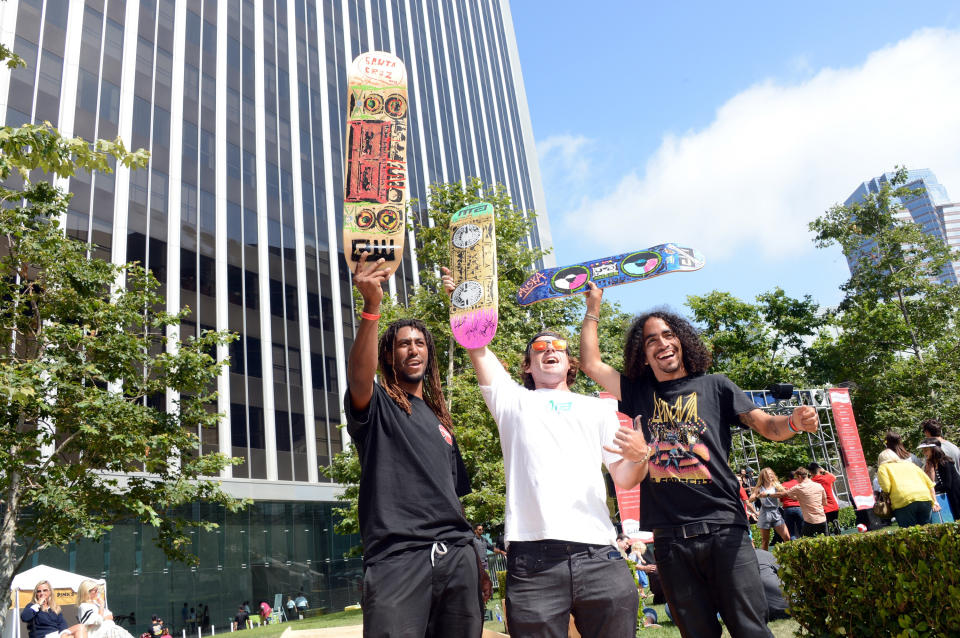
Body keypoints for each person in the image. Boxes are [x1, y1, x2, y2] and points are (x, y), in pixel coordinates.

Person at [578, 286, 820, 638]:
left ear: (682, 342)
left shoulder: (716, 385)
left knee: (751, 630)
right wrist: (593, 308)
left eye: (668, 335)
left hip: (725, 529)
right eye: (651, 340)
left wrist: (795, 421)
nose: (662, 343)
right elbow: (591, 364)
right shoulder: (638, 392)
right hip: (670, 540)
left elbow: (767, 426)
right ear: (643, 354)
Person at [443, 271, 644, 638]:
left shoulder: (599, 408)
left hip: (599, 555)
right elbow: (476, 346)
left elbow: (626, 478)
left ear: (571, 363)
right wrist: (463, 299)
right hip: (532, 562)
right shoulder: (511, 401)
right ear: (526, 365)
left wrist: (640, 456)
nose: (550, 349)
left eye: (559, 347)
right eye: (539, 347)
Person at [346, 254, 482, 637]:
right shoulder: (378, 405)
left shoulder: (441, 420)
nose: (413, 349)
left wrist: (476, 558)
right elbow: (358, 376)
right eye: (403, 344)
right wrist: (372, 307)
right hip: (397, 559)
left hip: (457, 557)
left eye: (420, 343)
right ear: (389, 355)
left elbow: (455, 499)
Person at [877, 448, 939, 527]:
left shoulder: (883, 467)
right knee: (927, 530)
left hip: (903, 501)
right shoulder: (910, 464)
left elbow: (886, 487)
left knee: (909, 533)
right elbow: (929, 483)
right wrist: (934, 501)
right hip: (924, 498)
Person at [21, 580, 87, 638]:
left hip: (57, 634)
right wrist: (38, 604)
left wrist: (64, 634)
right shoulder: (32, 606)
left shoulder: (54, 608)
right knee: (80, 627)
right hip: (43, 636)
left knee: (79, 631)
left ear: (49, 592)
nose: (42, 593)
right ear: (36, 594)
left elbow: (62, 624)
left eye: (45, 590)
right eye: (39, 591)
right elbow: (25, 617)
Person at [749, 468, 791, 549]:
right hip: (765, 513)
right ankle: (765, 561)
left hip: (775, 512)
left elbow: (784, 494)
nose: (771, 475)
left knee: (787, 537)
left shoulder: (776, 485)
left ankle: (788, 557)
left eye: (772, 474)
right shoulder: (759, 488)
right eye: (769, 474)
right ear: (764, 476)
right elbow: (750, 499)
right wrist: (757, 496)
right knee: (765, 541)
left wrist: (768, 494)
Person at [778, 468, 828, 537]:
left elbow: (782, 497)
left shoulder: (792, 486)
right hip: (819, 517)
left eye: (797, 478)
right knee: (824, 539)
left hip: (790, 509)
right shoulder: (817, 485)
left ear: (799, 477)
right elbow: (825, 502)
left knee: (792, 532)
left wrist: (767, 495)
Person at [919, 438, 960, 520]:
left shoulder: (945, 463)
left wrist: (931, 489)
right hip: (951, 496)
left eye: (926, 450)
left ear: (934, 450)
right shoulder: (935, 463)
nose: (924, 453)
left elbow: (947, 485)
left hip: (956, 496)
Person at [754, 549, 790, 621]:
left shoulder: (736, 565)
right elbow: (787, 574)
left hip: (760, 614)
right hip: (788, 607)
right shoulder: (761, 553)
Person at [807, 462, 840, 534]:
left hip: (822, 507)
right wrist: (824, 471)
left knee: (825, 525)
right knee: (834, 518)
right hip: (833, 505)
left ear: (810, 472)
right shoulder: (827, 478)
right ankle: (836, 525)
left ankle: (827, 533)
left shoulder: (811, 482)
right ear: (819, 469)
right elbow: (834, 477)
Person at [778, 471, 804, 540]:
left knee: (791, 531)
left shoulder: (783, 484)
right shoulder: (799, 483)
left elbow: (781, 499)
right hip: (799, 507)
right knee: (802, 530)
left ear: (788, 477)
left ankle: (794, 547)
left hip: (788, 508)